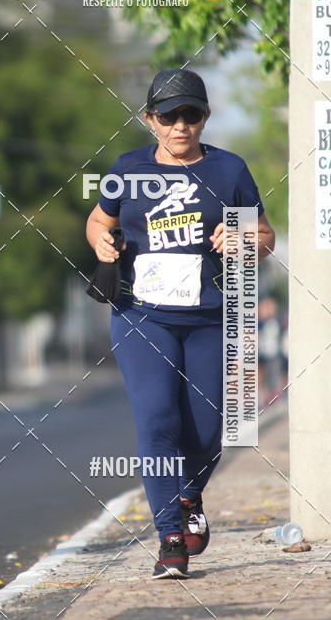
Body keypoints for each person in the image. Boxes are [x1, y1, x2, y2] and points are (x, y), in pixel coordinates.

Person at [86, 69, 275, 579]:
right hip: (141, 315)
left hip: (213, 314)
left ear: (204, 118)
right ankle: (170, 537)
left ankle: (190, 493)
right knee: (156, 421)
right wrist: (101, 243)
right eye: (169, 116)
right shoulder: (126, 169)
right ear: (150, 120)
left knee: (210, 428)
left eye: (191, 114)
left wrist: (244, 241)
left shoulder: (228, 170)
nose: (180, 125)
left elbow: (264, 234)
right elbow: (100, 219)